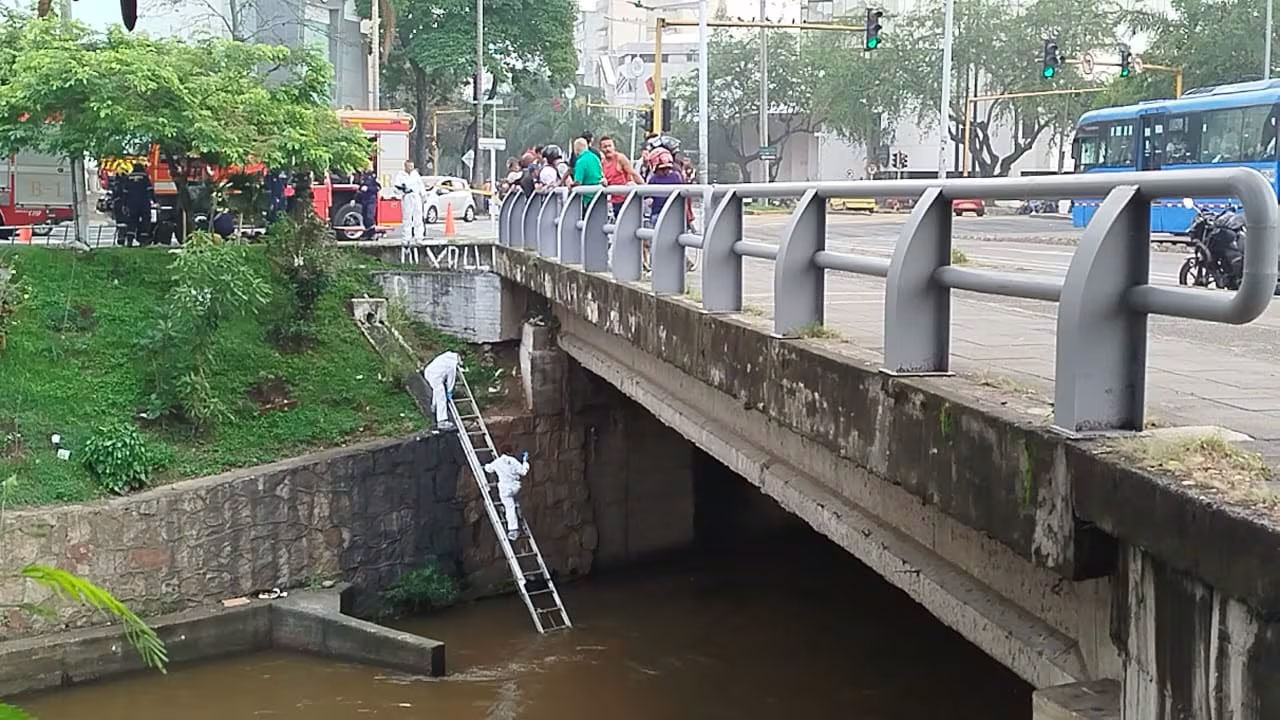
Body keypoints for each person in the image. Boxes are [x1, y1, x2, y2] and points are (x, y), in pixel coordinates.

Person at [483, 447, 530, 540]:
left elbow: (489, 469)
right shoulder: (513, 461)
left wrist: (485, 466)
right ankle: (518, 511)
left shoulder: (497, 462)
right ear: (510, 452)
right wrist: (525, 461)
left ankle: (513, 530)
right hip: (515, 487)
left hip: (505, 488)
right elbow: (523, 472)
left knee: (509, 508)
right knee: (515, 502)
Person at [600, 135, 643, 218]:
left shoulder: (620, 158)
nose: (608, 149)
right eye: (605, 147)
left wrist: (645, 188)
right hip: (615, 200)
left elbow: (633, 173)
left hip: (626, 198)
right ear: (601, 149)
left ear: (614, 147)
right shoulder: (602, 162)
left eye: (610, 146)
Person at [422, 350, 463, 432]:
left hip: (429, 372)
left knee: (437, 390)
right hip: (436, 376)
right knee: (442, 397)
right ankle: (442, 421)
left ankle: (434, 406)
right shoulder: (452, 364)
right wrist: (449, 391)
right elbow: (451, 379)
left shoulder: (446, 355)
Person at [645, 148, 685, 225]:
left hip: (658, 212)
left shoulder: (654, 179)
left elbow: (647, 196)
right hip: (675, 213)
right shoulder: (677, 176)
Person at [393, 159, 425, 246]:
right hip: (407, 197)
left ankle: (419, 237)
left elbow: (420, 185)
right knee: (407, 218)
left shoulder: (415, 174)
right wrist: (402, 191)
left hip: (416, 196)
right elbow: (396, 188)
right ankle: (406, 238)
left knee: (418, 217)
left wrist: (423, 195)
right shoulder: (400, 175)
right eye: (409, 166)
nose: (411, 168)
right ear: (405, 166)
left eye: (412, 166)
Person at [120, 162, 153, 246]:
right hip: (144, 202)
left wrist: (124, 204)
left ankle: (130, 241)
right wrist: (154, 201)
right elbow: (149, 189)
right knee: (145, 220)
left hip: (132, 203)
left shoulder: (129, 177)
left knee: (132, 221)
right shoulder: (145, 176)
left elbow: (125, 192)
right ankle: (143, 240)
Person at [569, 137, 603, 212]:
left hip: (587, 197)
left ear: (576, 150)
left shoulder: (581, 161)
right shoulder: (595, 158)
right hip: (599, 194)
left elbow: (578, 182)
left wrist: (571, 185)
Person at [356, 169, 380, 239]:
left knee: (369, 217)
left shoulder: (373, 178)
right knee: (364, 217)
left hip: (371, 200)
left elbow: (378, 188)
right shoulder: (363, 178)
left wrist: (368, 188)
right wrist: (354, 199)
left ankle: (373, 233)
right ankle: (367, 234)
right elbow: (359, 190)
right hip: (364, 200)